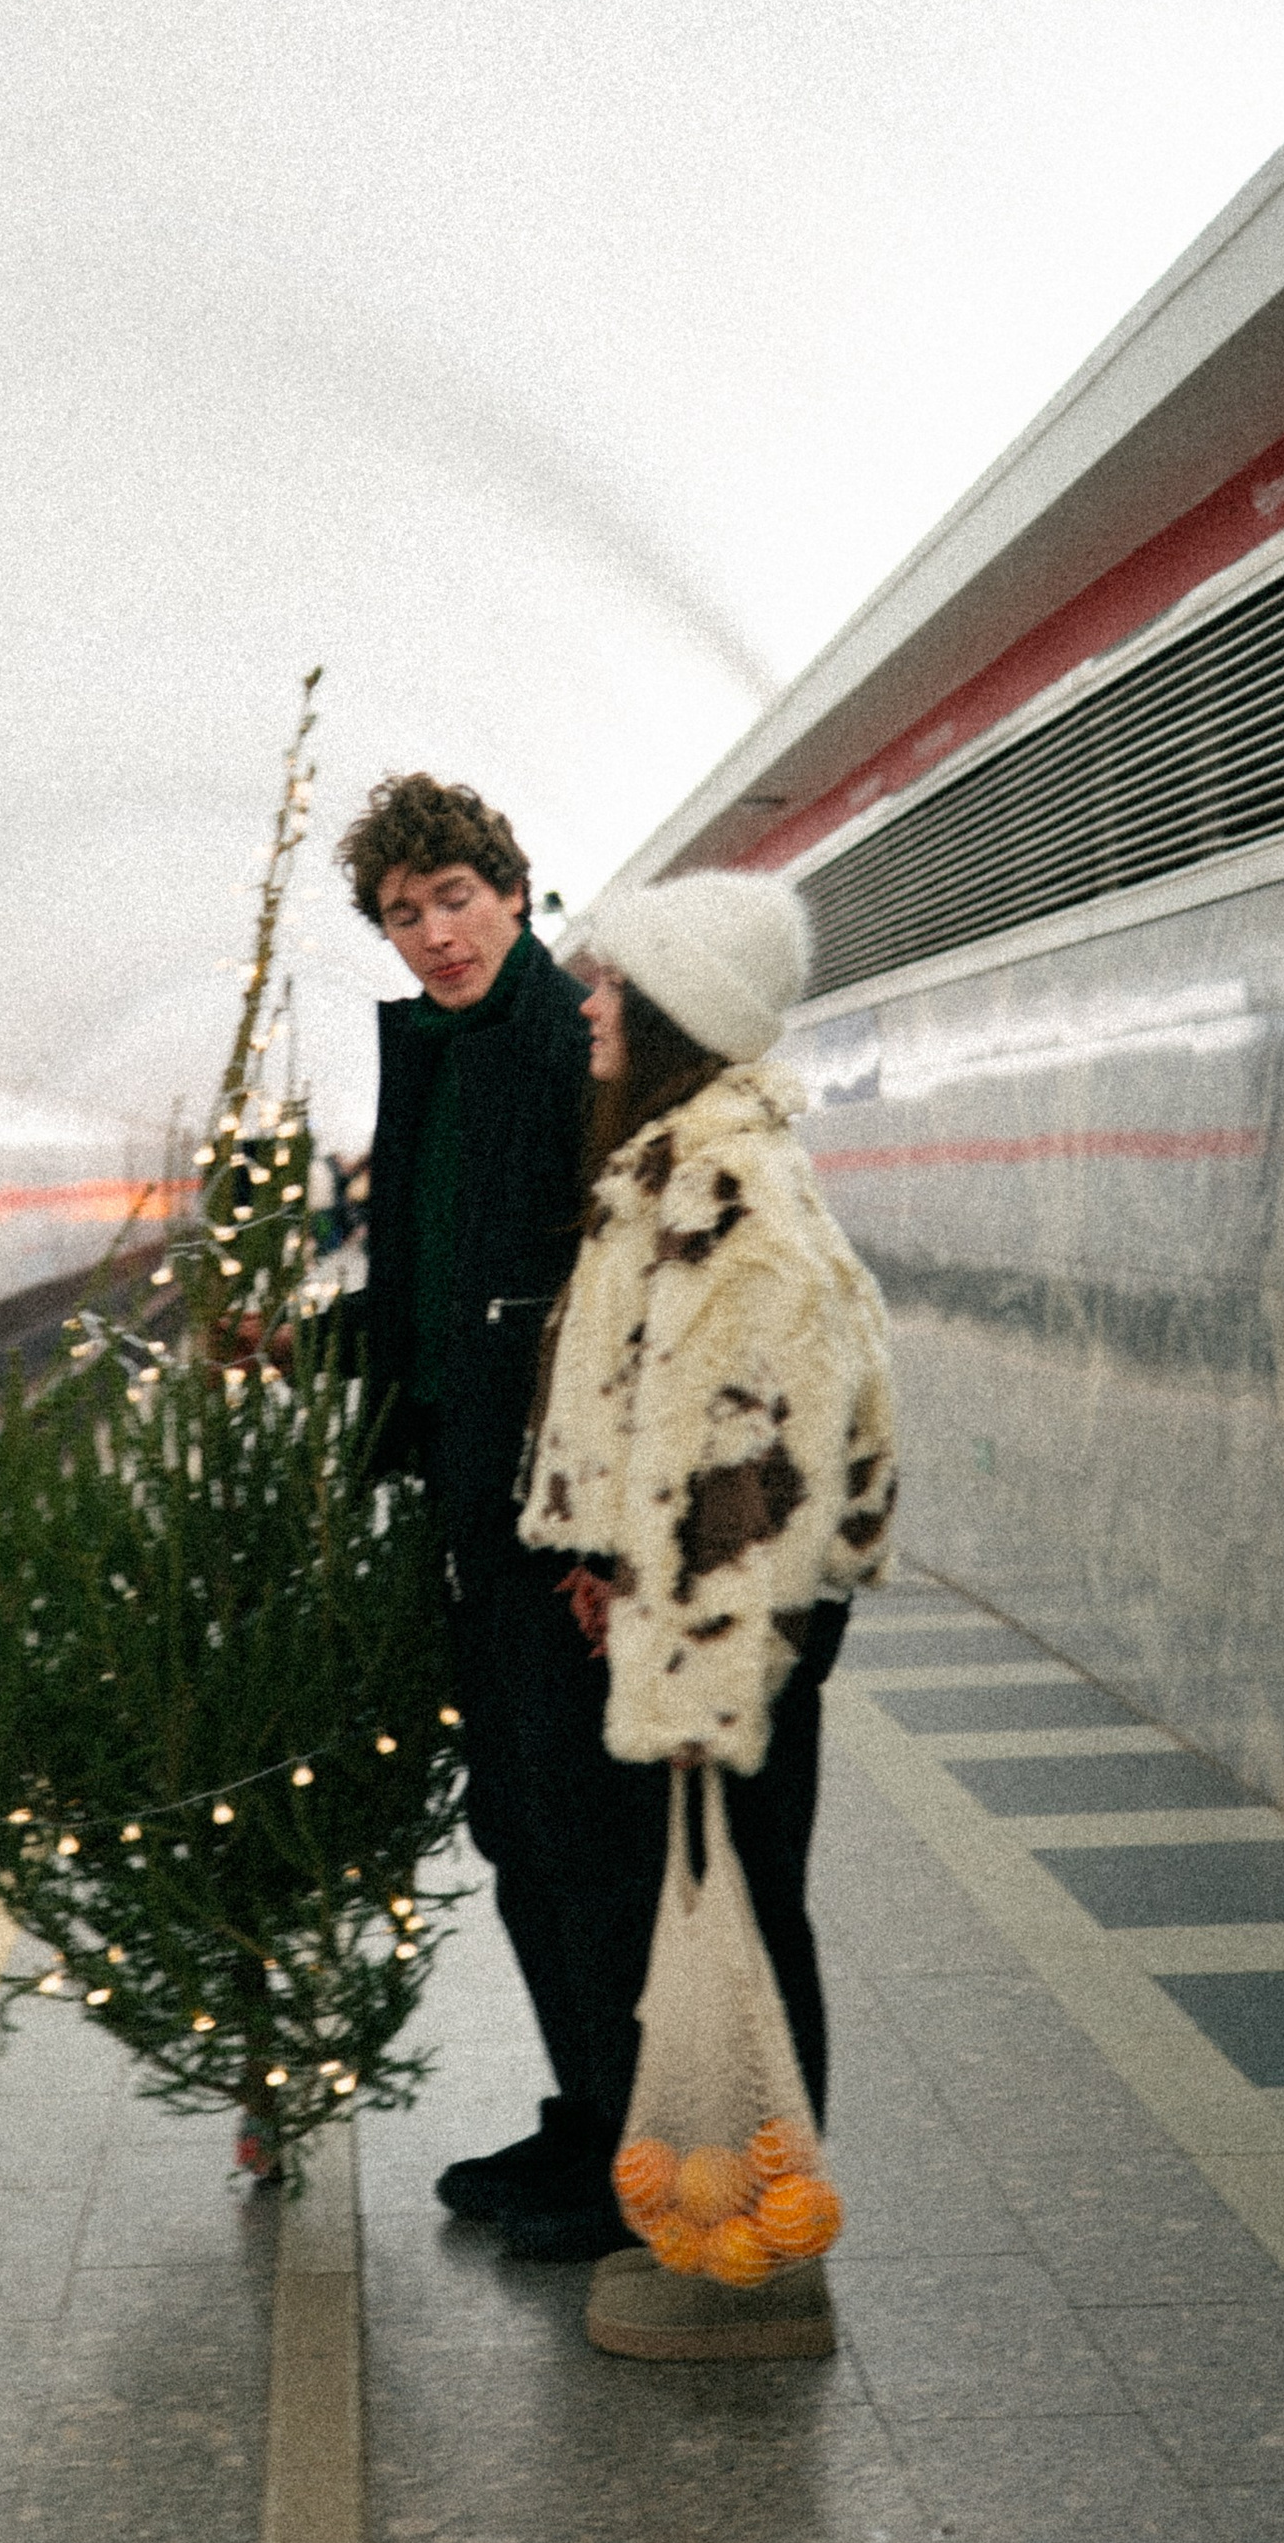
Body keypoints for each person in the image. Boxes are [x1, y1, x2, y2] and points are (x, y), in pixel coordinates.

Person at [518, 867, 898, 2357]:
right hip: (687, 1614)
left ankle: (760, 2273)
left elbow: (742, 1468)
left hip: (733, 1635)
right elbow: (647, 1416)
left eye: (614, 986)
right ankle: (726, 2237)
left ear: (678, 1013)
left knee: (745, 1920)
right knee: (727, 1908)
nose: (591, 1007)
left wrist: (693, 1680)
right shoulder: (677, 1167)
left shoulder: (726, 1196)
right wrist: (605, 1550)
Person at [334, 771, 668, 2261]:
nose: (435, 934)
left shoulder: (570, 1043)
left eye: (454, 899)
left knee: (587, 1835)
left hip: (561, 1521)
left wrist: (603, 1533)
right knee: (519, 1828)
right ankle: (590, 2114)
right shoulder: (434, 1056)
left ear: (512, 891)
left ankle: (637, 2150)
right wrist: (318, 1349)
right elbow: (420, 1290)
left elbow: (615, 1304)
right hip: (470, 1506)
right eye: (405, 916)